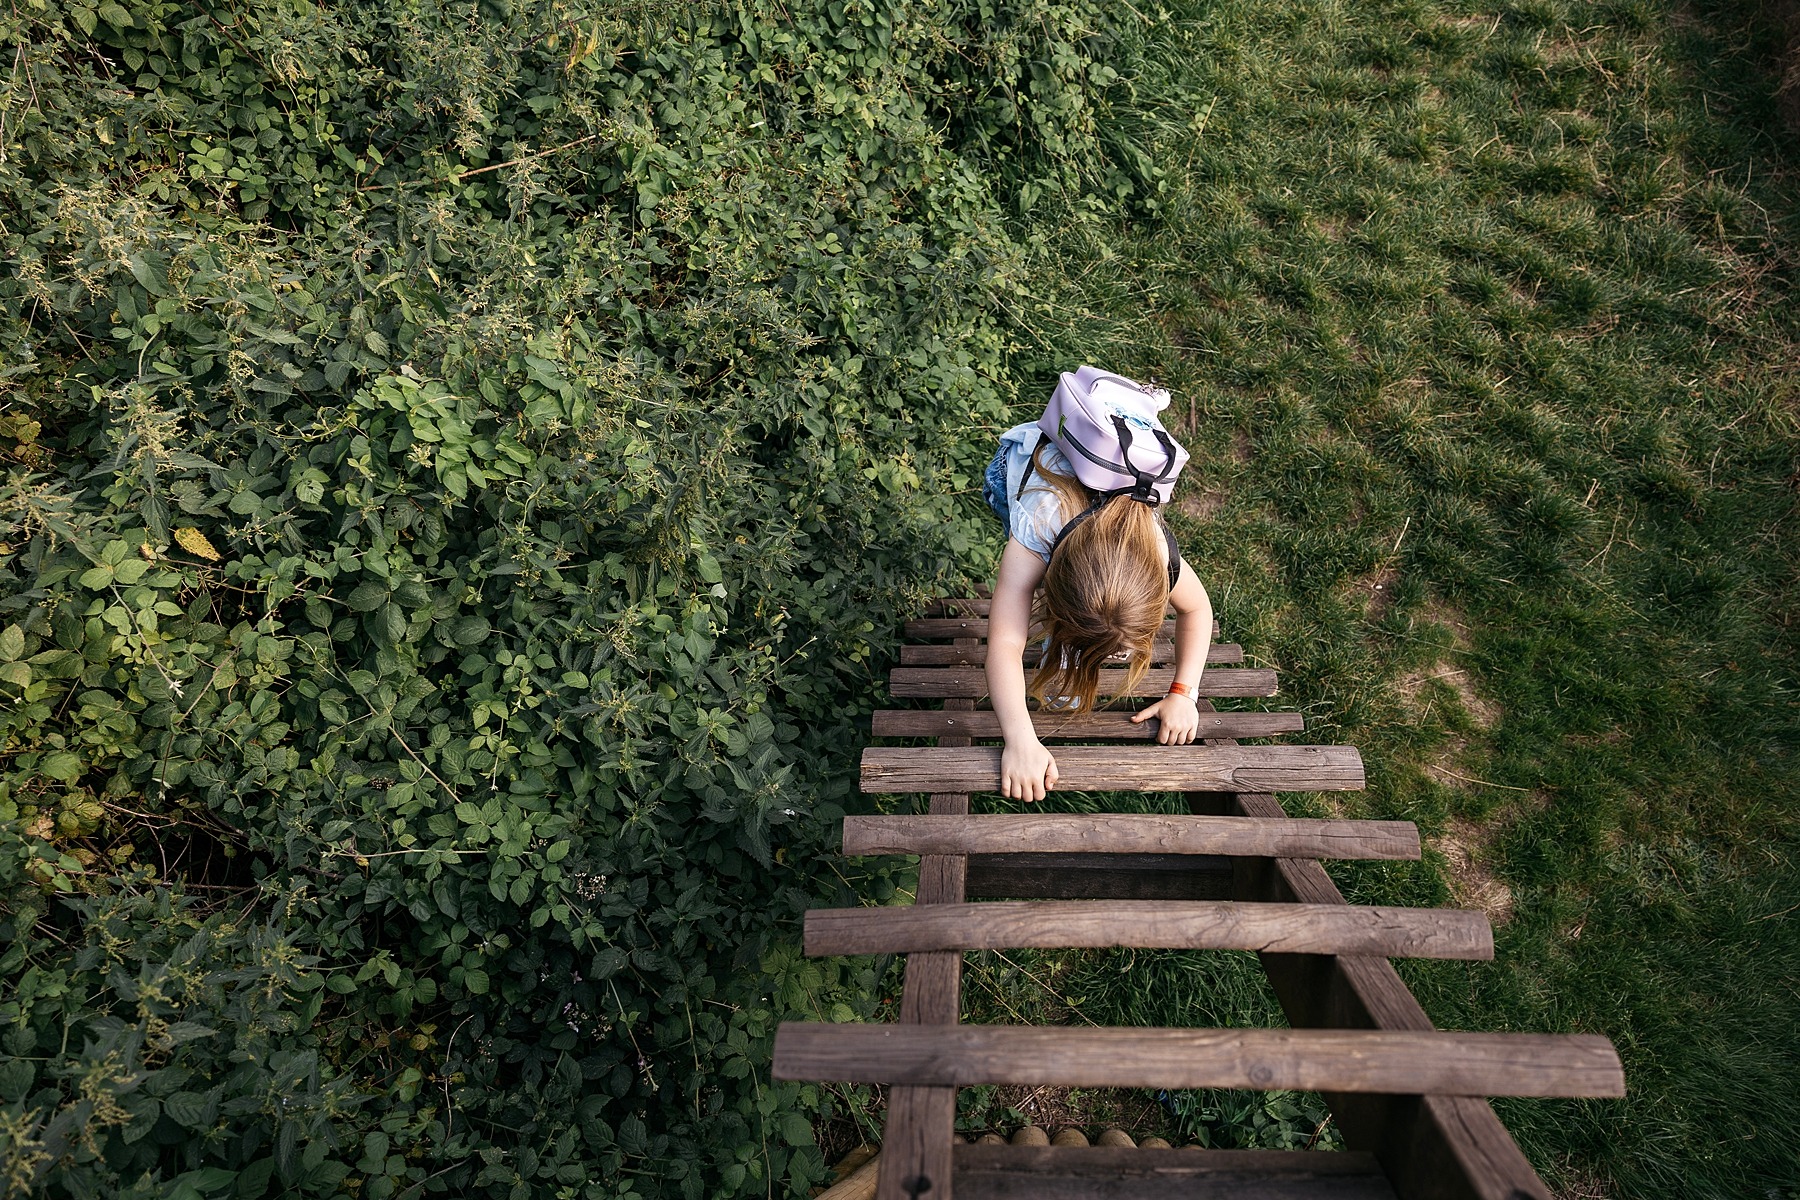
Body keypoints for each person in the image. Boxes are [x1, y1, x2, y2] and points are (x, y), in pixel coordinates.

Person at [980, 374, 1214, 803]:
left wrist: (1183, 693)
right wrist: (1020, 739)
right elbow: (1004, 644)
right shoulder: (1036, 527)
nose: (1120, 660)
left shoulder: (1158, 551)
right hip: (1024, 465)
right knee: (1013, 567)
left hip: (1097, 480)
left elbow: (1197, 611)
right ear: (1054, 591)